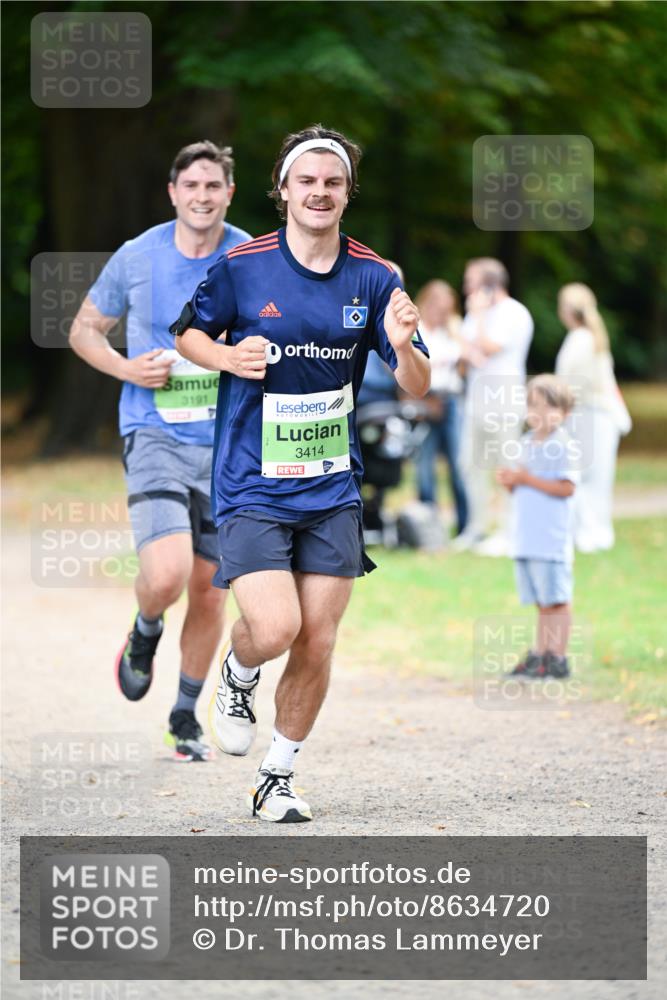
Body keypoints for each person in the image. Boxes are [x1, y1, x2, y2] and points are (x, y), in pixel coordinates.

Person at [171, 124, 430, 822]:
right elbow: (186, 333)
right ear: (282, 190)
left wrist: (404, 348)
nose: (319, 192)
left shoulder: (376, 277)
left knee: (319, 635)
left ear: (347, 194)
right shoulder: (242, 266)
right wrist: (226, 359)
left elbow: (414, 383)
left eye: (333, 182)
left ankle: (276, 778)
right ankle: (237, 669)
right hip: (252, 478)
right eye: (306, 181)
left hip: (331, 484)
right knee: (276, 625)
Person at [69, 141, 251, 761]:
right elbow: (83, 328)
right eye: (191, 186)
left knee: (210, 589)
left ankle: (185, 717)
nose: (202, 197)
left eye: (213, 186)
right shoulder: (137, 256)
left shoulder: (250, 255)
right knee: (169, 574)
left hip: (229, 446)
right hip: (154, 433)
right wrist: (127, 368)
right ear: (173, 193)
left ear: (229, 193)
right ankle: (145, 630)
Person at [496, 374, 578, 678]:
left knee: (557, 600)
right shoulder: (525, 442)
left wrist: (525, 479)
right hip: (527, 537)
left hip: (551, 539)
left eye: (548, 407)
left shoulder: (563, 445)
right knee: (542, 602)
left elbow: (567, 487)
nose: (539, 414)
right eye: (533, 405)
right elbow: (520, 485)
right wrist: (510, 482)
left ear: (565, 413)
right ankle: (541, 652)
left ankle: (558, 656)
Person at [456, 258, 534, 555]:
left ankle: (508, 531)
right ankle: (477, 528)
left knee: (506, 467)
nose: (466, 287)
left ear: (488, 285)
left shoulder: (513, 313)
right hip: (476, 402)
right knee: (470, 465)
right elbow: (464, 353)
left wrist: (476, 319)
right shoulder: (477, 314)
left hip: (503, 402)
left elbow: (488, 348)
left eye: (471, 281)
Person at [555, 283, 630, 552]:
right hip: (594, 415)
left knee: (587, 476)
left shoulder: (581, 340)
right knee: (593, 476)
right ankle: (591, 532)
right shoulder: (590, 337)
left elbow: (574, 386)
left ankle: (591, 534)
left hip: (590, 414)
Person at [413, 279, 468, 537]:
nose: (443, 313)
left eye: (448, 308)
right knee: (424, 466)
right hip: (425, 400)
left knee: (459, 465)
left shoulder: (454, 330)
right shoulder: (417, 329)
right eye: (439, 307)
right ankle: (429, 528)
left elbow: (465, 364)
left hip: (452, 399)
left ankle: (465, 526)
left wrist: (456, 330)